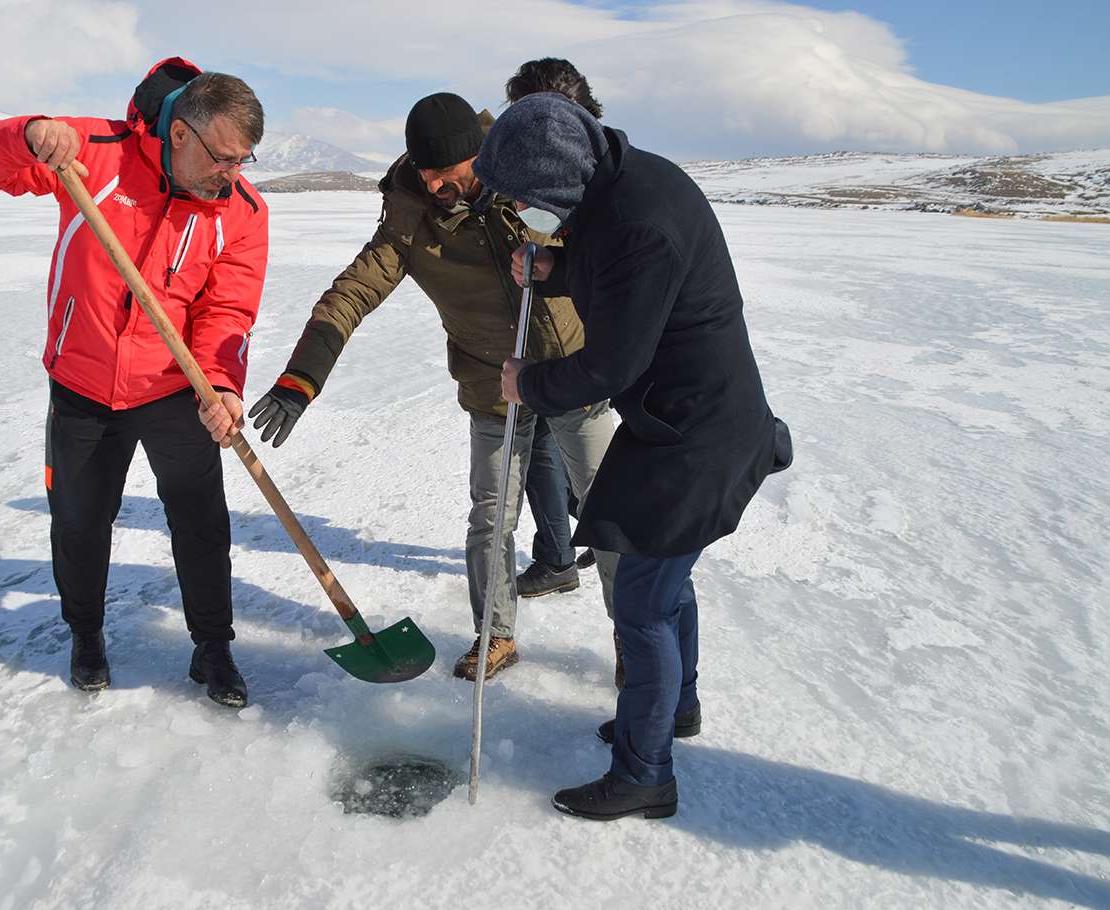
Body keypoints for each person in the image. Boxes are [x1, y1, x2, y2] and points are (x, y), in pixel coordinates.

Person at [475, 94, 792, 820]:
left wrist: (531, 381)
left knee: (645, 603)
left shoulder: (639, 223)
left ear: (556, 182)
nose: (520, 210)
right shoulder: (625, 181)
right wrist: (554, 267)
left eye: (524, 198)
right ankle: (672, 711)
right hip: (685, 421)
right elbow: (610, 267)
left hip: (697, 438)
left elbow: (610, 363)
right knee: (668, 585)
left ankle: (645, 772)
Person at [246, 92, 619, 681]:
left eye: (447, 172)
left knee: (610, 509)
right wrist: (302, 378)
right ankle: (495, 635)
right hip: (493, 381)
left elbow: (608, 244)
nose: (435, 183)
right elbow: (352, 292)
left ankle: (635, 644)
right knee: (491, 516)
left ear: (479, 155)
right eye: (425, 172)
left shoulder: (530, 174)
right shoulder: (410, 213)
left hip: (574, 367)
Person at [0, 58, 268, 707]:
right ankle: (87, 634)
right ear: (180, 133)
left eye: (244, 160)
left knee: (201, 520)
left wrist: (222, 383)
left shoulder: (239, 210)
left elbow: (227, 307)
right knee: (79, 519)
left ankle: (212, 646)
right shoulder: (91, 154)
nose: (231, 174)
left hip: (174, 387)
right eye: (223, 158)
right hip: (82, 385)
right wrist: (28, 135)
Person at [505, 58, 606, 600]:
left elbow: (622, 333)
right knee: (549, 451)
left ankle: (634, 655)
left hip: (590, 363)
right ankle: (558, 554)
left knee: (607, 497)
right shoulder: (520, 178)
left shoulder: (611, 196)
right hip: (543, 358)